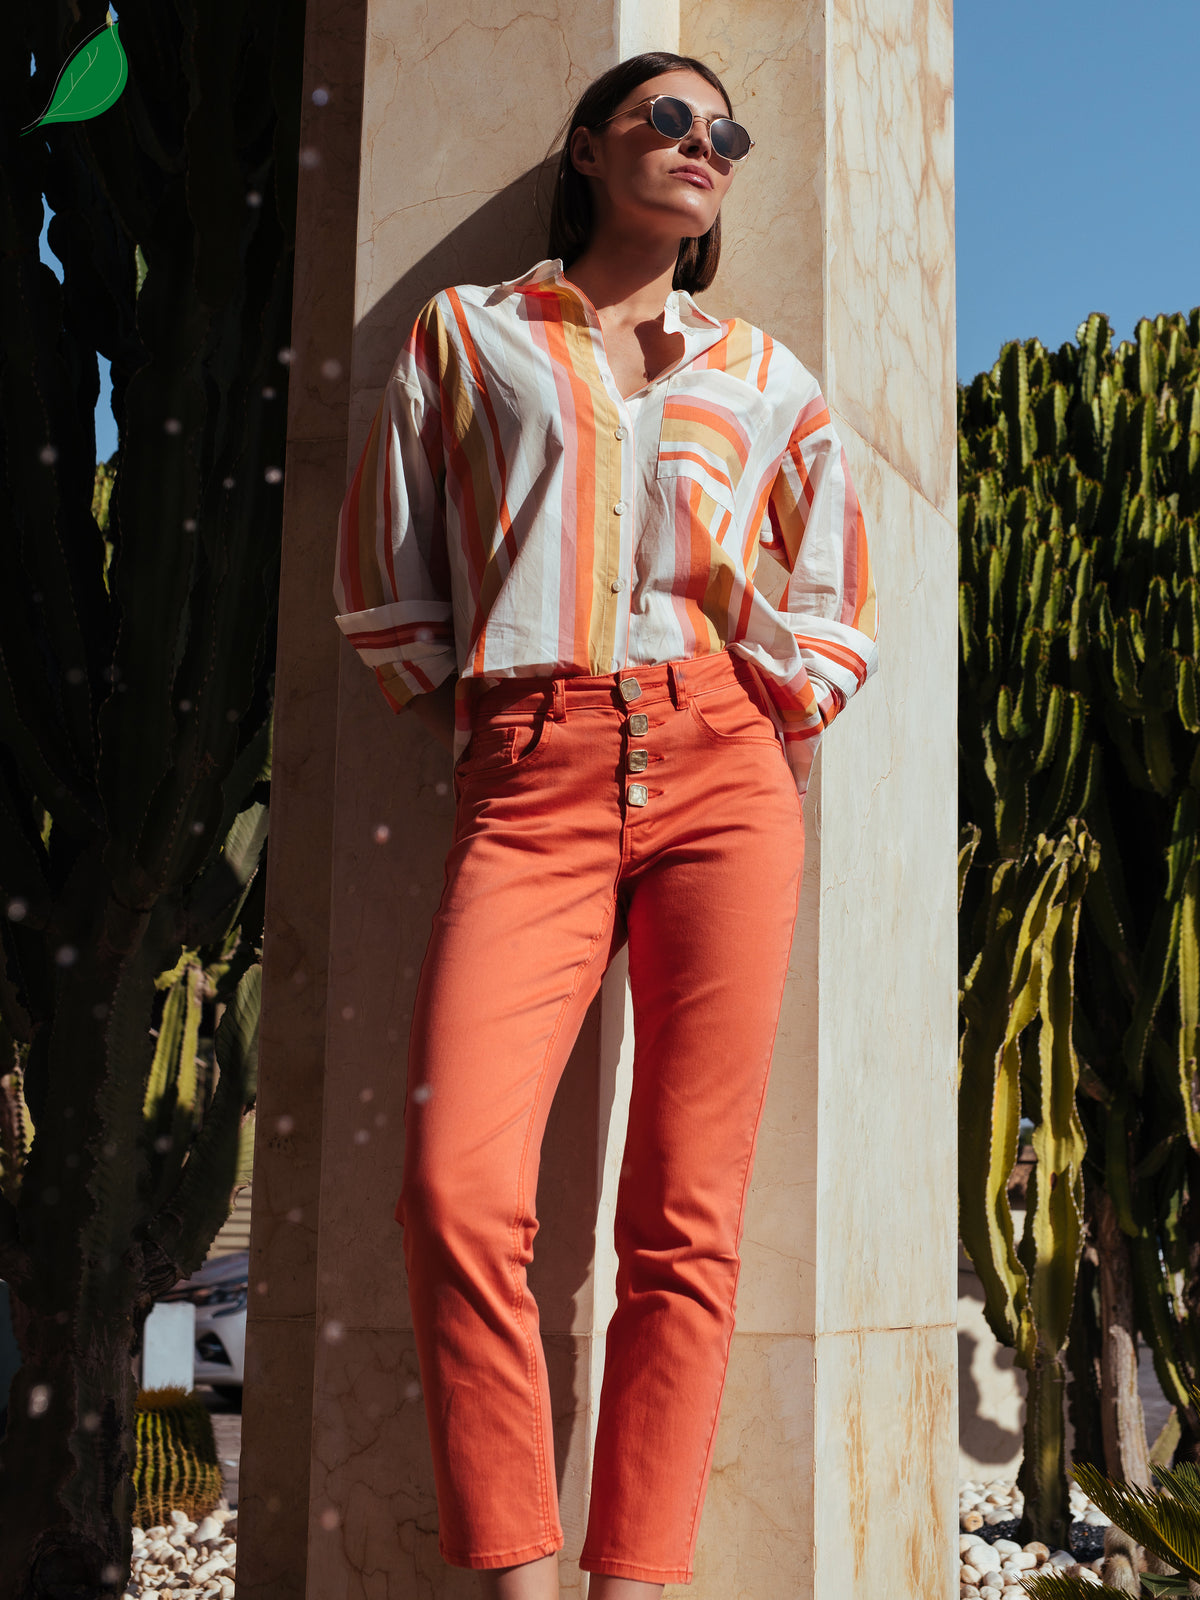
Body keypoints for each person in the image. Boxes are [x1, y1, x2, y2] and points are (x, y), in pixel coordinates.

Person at [333, 51, 878, 1600]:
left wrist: (766, 693)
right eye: (669, 120)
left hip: (722, 770)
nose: (706, 146)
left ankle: (631, 1584)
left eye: (728, 132)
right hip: (532, 765)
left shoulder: (766, 377)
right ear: (588, 147)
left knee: (685, 1221)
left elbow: (839, 605)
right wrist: (513, 715)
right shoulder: (474, 334)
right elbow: (385, 586)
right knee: (454, 1192)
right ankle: (515, 1575)